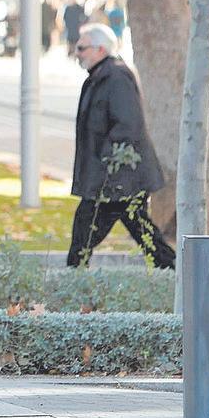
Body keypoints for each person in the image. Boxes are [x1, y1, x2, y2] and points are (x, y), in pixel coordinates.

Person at [67, 24, 175, 269]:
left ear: (100, 49)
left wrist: (107, 165)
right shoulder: (100, 76)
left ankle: (73, 273)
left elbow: (127, 124)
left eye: (82, 48)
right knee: (139, 229)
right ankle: (173, 269)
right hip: (116, 177)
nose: (77, 52)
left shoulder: (115, 76)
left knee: (87, 224)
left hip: (118, 177)